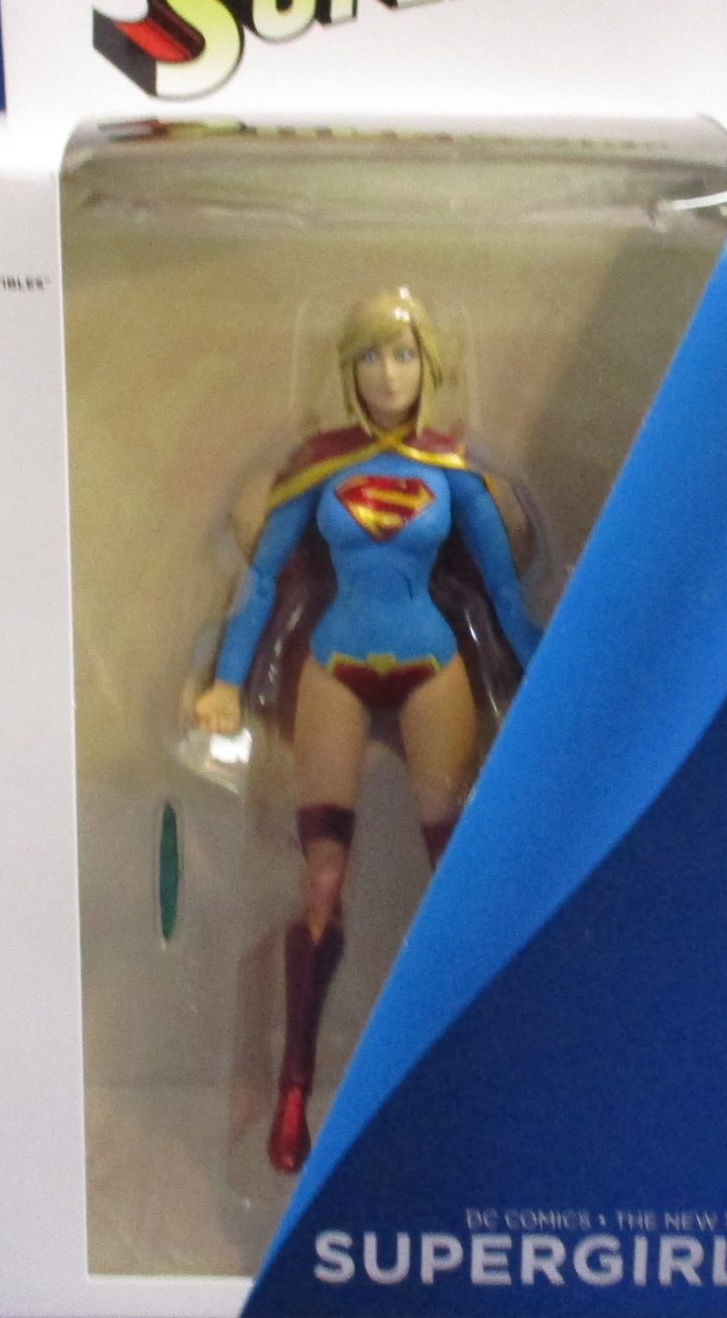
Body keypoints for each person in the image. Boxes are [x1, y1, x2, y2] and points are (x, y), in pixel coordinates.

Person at [193, 287, 541, 1172]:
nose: (389, 375)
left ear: (430, 366)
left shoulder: (452, 470)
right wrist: (226, 683)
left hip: (432, 664)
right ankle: (294, 1089)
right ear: (348, 369)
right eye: (373, 357)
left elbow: (504, 591)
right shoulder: (321, 467)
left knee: (455, 877)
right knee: (320, 880)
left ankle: (478, 1080)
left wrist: (547, 674)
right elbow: (261, 579)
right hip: (336, 664)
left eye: (404, 355)